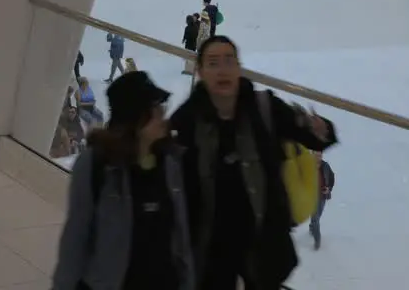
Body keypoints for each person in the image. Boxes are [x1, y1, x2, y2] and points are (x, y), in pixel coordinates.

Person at [170, 36, 336, 290]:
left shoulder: (265, 108)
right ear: (201, 71)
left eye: (229, 61)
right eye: (213, 63)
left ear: (239, 67)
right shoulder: (186, 122)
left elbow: (310, 136)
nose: (223, 70)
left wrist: (320, 129)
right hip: (210, 261)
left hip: (264, 256)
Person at [51, 71, 194, 290]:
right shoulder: (96, 165)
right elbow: (75, 239)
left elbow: (180, 236)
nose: (162, 114)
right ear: (135, 118)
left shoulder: (169, 161)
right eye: (154, 109)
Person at [309, 151, 334, 250]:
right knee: (315, 218)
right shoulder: (308, 166)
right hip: (311, 197)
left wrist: (328, 188)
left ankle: (312, 227)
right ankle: (317, 240)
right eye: (316, 155)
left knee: (318, 215)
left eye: (320, 155)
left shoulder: (325, 166)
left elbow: (332, 178)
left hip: (322, 196)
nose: (318, 157)